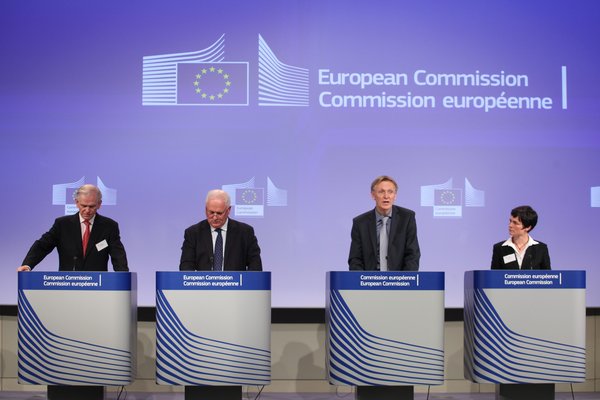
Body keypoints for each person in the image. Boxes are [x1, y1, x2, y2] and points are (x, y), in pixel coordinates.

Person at [18, 184, 128, 272]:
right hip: (68, 283)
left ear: (99, 204)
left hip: (98, 284)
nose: (87, 210)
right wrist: (28, 265)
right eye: (84, 206)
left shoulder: (109, 226)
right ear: (77, 203)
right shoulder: (62, 224)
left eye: (92, 206)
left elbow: (118, 255)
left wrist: (123, 277)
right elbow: (42, 246)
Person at [348, 175, 420, 271]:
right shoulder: (360, 223)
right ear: (373, 195)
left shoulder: (407, 218)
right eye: (381, 192)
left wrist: (405, 279)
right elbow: (355, 259)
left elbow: (412, 255)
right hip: (369, 279)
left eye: (390, 192)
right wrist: (362, 279)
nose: (386, 196)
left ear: (395, 195)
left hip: (400, 278)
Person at [179, 189, 262, 271]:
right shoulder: (193, 233)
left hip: (236, 280)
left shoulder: (245, 232)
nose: (215, 217)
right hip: (204, 280)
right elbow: (186, 266)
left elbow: (255, 265)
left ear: (228, 210)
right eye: (211, 212)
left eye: (219, 213)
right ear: (206, 209)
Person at [491, 205, 551, 270]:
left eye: (515, 223)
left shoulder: (541, 249)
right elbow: (494, 275)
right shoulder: (499, 248)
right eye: (510, 221)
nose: (510, 225)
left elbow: (547, 275)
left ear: (528, 227)